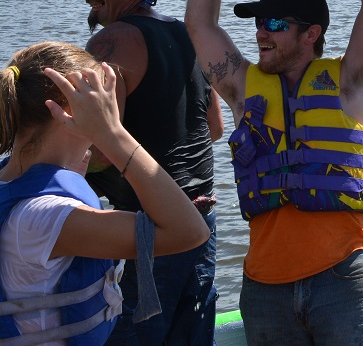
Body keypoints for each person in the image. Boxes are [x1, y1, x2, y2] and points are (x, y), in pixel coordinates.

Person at [185, 0, 363, 345]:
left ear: (310, 34)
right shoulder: (242, 89)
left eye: (275, 23)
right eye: (259, 22)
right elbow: (199, 23)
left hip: (342, 281)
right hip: (264, 289)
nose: (261, 32)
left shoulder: (349, 83)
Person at [1, 42, 210, 345]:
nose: (111, 104)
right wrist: (111, 133)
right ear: (68, 109)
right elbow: (190, 232)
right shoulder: (45, 218)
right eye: (100, 96)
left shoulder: (13, 184)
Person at [79, 0, 222, 345]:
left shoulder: (112, 42)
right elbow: (214, 128)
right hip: (201, 220)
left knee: (132, 334)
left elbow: (104, 150)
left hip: (150, 228)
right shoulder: (186, 33)